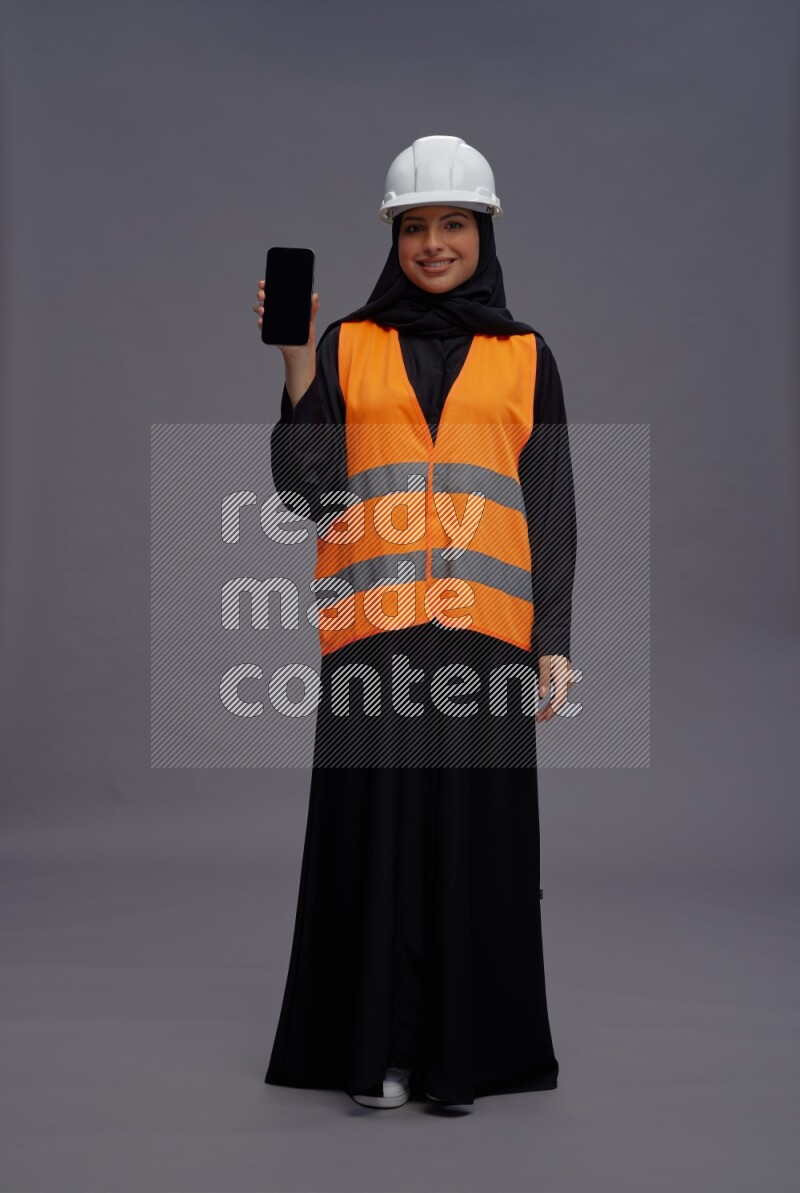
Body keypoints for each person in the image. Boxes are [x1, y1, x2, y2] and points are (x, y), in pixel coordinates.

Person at [252, 135, 577, 1109]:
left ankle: (457, 1059)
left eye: (452, 224)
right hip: (374, 637)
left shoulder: (525, 356)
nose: (433, 242)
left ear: (481, 232)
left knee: (472, 841)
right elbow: (309, 495)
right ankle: (379, 1050)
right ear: (393, 237)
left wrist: (550, 640)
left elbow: (550, 502)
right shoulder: (350, 344)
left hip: (484, 637)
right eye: (415, 226)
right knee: (379, 838)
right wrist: (294, 355)